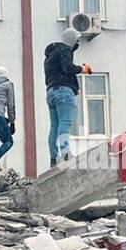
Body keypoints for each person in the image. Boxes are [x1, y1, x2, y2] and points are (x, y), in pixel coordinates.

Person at [43, 28, 92, 166]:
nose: (77, 43)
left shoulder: (49, 56)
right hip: (63, 92)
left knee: (54, 125)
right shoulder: (65, 50)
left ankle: (53, 157)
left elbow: (59, 72)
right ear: (71, 40)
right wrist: (82, 69)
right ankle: (65, 154)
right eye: (76, 40)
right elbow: (67, 68)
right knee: (65, 123)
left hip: (51, 92)